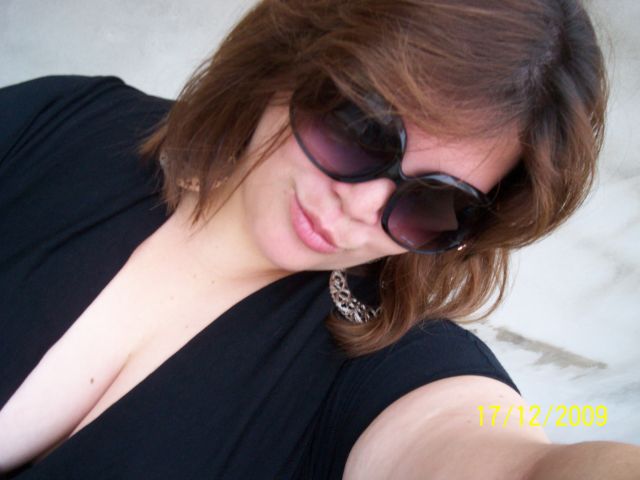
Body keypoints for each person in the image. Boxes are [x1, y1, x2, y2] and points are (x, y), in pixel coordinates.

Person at [0, 0, 639, 478]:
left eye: (434, 203)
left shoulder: (388, 366)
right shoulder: (62, 126)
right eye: (360, 128)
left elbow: (507, 461)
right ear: (294, 55)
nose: (361, 207)